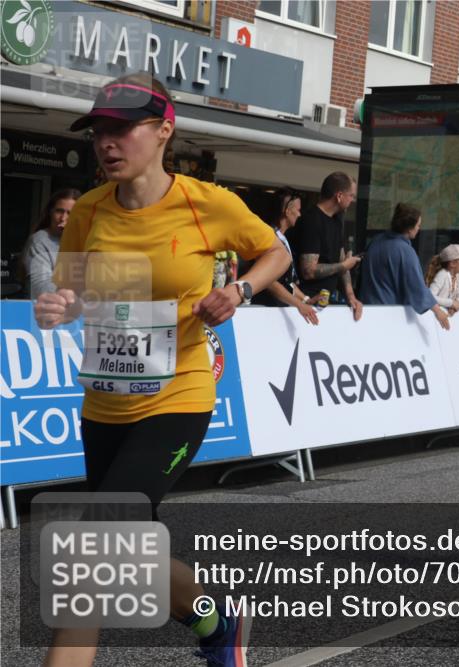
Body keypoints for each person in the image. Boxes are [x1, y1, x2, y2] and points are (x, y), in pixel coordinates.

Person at [33, 73, 289, 667]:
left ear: (164, 130)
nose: (107, 142)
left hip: (177, 397)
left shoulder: (206, 204)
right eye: (99, 130)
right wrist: (59, 307)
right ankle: (216, 620)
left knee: (93, 551)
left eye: (123, 128)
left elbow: (274, 249)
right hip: (106, 404)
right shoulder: (89, 210)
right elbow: (75, 293)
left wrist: (241, 290)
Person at [359, 203, 451, 330]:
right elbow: (417, 287)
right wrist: (438, 311)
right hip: (388, 315)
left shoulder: (375, 241)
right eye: (418, 225)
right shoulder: (405, 251)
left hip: (365, 311)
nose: (419, 228)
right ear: (409, 229)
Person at [292, 172, 363, 320]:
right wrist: (343, 266)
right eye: (351, 195)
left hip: (325, 303)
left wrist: (351, 296)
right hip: (305, 304)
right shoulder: (312, 220)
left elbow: (342, 260)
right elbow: (308, 270)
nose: (352, 200)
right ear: (339, 196)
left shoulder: (337, 220)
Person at [250, 188, 319, 324]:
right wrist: (299, 304)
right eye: (298, 210)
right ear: (287, 211)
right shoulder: (269, 237)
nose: (299, 214)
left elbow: (287, 282)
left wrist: (305, 300)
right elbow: (269, 281)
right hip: (264, 312)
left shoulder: (282, 238)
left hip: (277, 311)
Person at [22, 189, 80, 298]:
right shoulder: (40, 240)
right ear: (50, 212)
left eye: (70, 213)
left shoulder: (85, 240)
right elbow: (41, 286)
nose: (63, 218)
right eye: (59, 211)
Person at [426, 243, 459, 315]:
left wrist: (453, 307)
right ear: (452, 263)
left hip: (444, 315)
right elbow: (430, 296)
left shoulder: (457, 276)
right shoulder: (442, 275)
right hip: (433, 316)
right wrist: (451, 303)